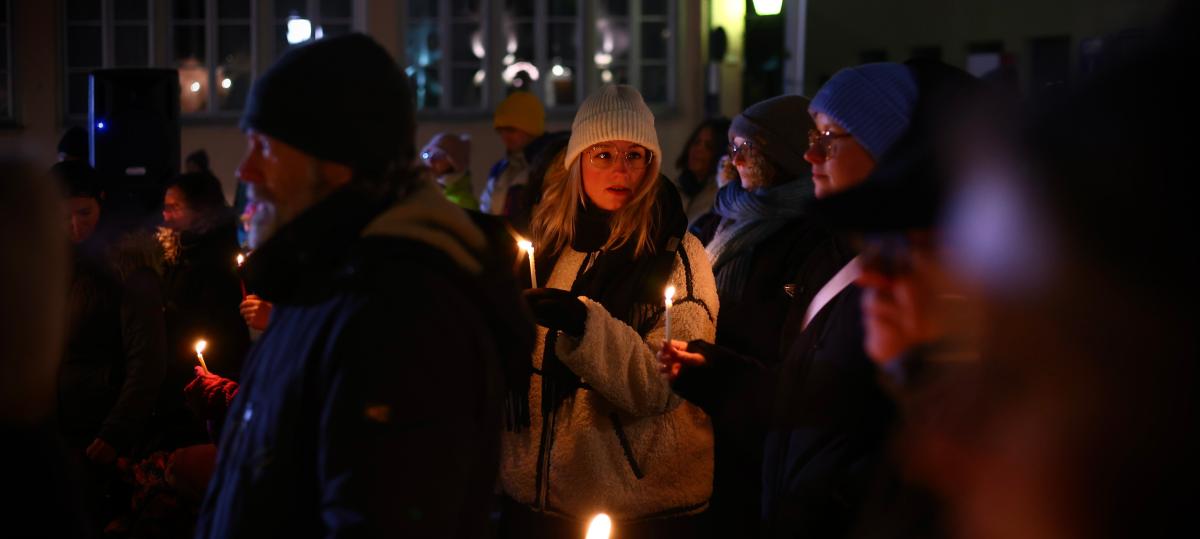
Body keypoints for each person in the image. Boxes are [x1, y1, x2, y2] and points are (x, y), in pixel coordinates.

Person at [195, 33, 533, 538]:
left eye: (265, 145)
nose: (245, 170)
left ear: (334, 163)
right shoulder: (321, 281)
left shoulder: (403, 317)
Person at [661, 62, 922, 537]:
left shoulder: (883, 266)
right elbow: (806, 392)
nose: (811, 154)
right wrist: (715, 372)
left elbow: (885, 429)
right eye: (810, 138)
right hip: (773, 482)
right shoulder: (841, 253)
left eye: (828, 138)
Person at [499, 84, 720, 539]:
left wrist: (584, 325)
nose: (621, 169)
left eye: (635, 155)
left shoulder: (678, 256)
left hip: (636, 512)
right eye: (603, 154)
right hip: (536, 506)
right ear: (578, 161)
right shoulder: (550, 247)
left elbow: (662, 388)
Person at [52, 158, 168, 532]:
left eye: (84, 213)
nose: (75, 226)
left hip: (100, 437)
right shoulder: (52, 265)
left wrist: (115, 432)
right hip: (59, 430)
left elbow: (147, 360)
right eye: (63, 216)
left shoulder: (128, 269)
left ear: (102, 203)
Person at [152, 172, 250, 451]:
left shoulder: (217, 256)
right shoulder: (175, 249)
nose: (166, 215)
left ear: (201, 209)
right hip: (182, 369)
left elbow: (216, 317)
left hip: (215, 370)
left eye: (175, 207)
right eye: (165, 207)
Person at [481, 91, 545, 215]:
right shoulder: (500, 169)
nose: (504, 136)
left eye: (511, 130)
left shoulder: (547, 168)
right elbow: (486, 209)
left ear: (531, 129)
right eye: (500, 130)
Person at [672, 117, 731, 224]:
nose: (699, 149)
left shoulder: (720, 198)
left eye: (708, 146)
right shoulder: (678, 188)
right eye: (696, 142)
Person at [421, 132, 478, 209]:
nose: (431, 161)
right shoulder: (436, 195)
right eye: (428, 154)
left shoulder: (462, 203)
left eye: (438, 155)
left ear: (455, 162)